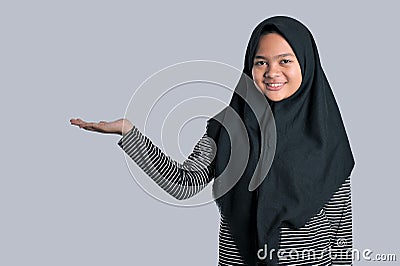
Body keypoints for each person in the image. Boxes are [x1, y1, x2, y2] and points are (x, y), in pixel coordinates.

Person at [70, 16, 355, 266]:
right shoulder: (227, 127)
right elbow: (184, 184)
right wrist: (128, 131)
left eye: (285, 61)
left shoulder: (326, 133)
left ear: (306, 63)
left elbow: (342, 230)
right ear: (249, 67)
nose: (272, 72)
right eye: (261, 62)